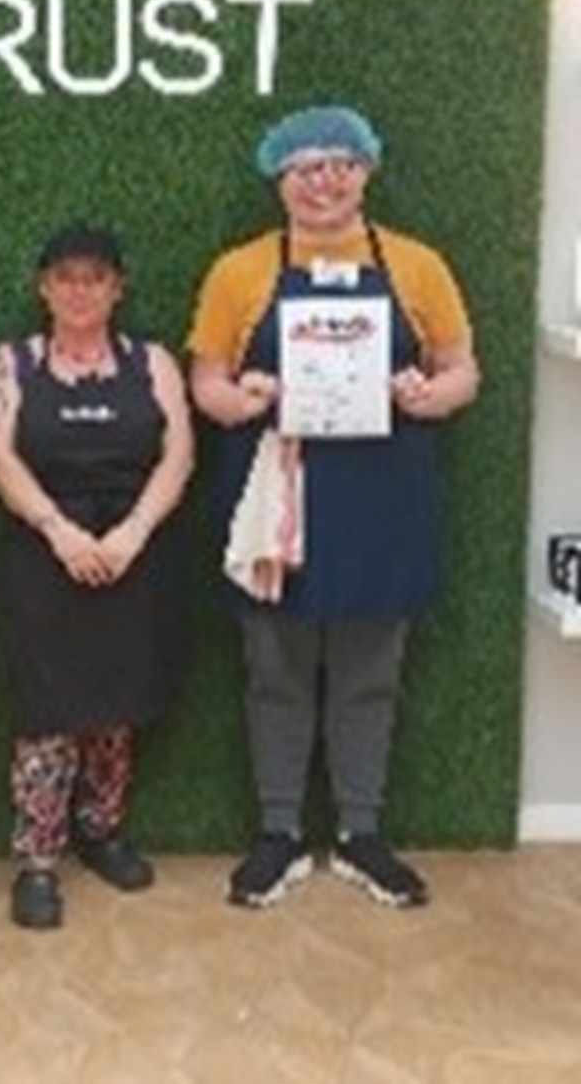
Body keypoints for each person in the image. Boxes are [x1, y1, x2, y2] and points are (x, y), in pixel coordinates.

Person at [187, 105, 480, 910]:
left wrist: (429, 395)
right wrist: (240, 398)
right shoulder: (239, 272)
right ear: (279, 179)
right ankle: (278, 832)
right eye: (306, 168)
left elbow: (463, 369)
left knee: (370, 672)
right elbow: (205, 381)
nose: (324, 182)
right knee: (273, 669)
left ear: (367, 171)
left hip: (384, 497)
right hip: (276, 494)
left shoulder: (417, 266)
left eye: (341, 165)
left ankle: (360, 832)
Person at [0, 222, 193, 930]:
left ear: (117, 288)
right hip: (45, 549)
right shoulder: (12, 363)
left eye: (95, 278)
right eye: (66, 278)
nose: (80, 291)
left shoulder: (153, 362)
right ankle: (37, 858)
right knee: (45, 706)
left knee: (115, 700)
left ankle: (100, 831)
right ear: (44, 288)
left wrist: (133, 532)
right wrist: (58, 530)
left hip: (135, 547)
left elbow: (178, 454)